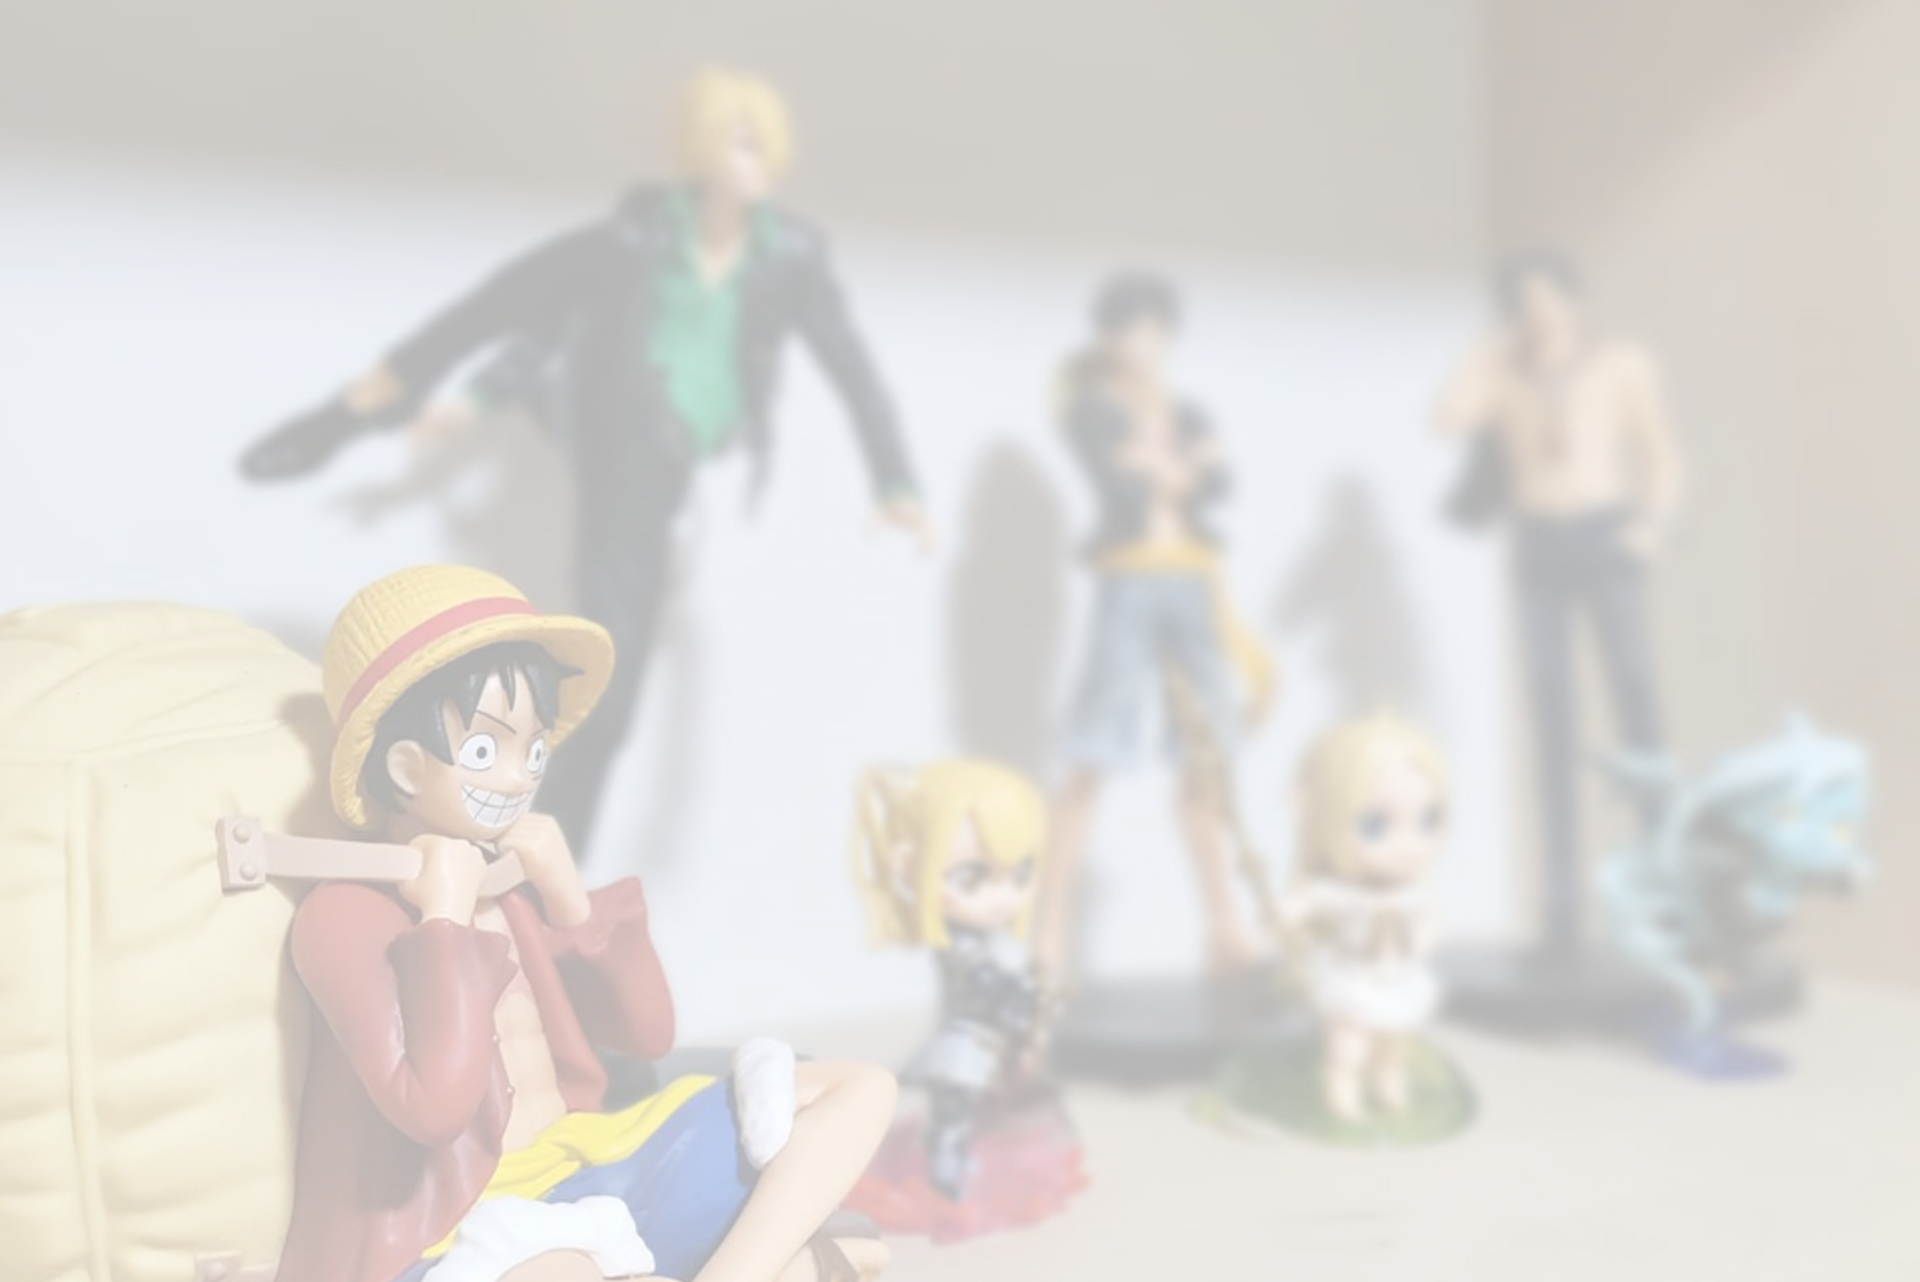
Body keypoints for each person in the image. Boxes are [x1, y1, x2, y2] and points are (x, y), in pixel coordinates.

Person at [242, 68, 930, 853]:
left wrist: (896, 481)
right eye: (738, 141)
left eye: (763, 143)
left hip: (665, 448)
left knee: (616, 665)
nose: (754, 159)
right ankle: (368, 399)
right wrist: (443, 393)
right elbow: (510, 301)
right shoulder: (637, 239)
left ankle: (548, 846)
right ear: (702, 148)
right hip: (623, 426)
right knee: (615, 665)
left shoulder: (790, 256)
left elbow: (852, 369)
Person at [282, 563, 895, 1282]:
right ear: (407, 768)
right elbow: (435, 1108)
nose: (518, 777)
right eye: (485, 750)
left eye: (533, 749)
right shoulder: (343, 915)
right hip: (461, 1227)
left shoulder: (510, 887)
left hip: (594, 1165)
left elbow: (646, 1034)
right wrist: (443, 922)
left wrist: (569, 901)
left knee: (858, 1088)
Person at [1434, 251, 1684, 958]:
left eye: (1549, 297)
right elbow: (1447, 421)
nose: (1539, 312)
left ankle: (1667, 885)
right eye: (1525, 301)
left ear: (1573, 299)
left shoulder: (1619, 362)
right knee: (1551, 713)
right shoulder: (1504, 372)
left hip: (1604, 531)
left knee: (1636, 699)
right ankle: (1561, 902)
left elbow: (1660, 452)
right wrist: (1480, 360)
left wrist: (1653, 522)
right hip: (1538, 539)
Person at [1034, 272, 1274, 983]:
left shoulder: (1185, 410)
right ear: (1108, 338)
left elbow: (1222, 484)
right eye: (1127, 330)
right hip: (1130, 578)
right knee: (1092, 749)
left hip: (1193, 578)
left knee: (1206, 754)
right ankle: (1048, 936)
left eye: (1150, 331)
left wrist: (1168, 466)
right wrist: (1178, 468)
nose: (1140, 344)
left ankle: (1225, 928)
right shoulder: (1090, 409)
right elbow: (1122, 486)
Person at [1281, 714, 1447, 1124]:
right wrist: (1288, 915)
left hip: (1399, 975)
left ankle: (1388, 1083)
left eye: (1427, 821)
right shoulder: (1346, 895)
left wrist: (1425, 937)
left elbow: (1427, 922)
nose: (1408, 846)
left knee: (1393, 1041)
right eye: (1375, 825)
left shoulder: (1410, 894)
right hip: (1356, 977)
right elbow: (1308, 902)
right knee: (1350, 1044)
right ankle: (1344, 1091)